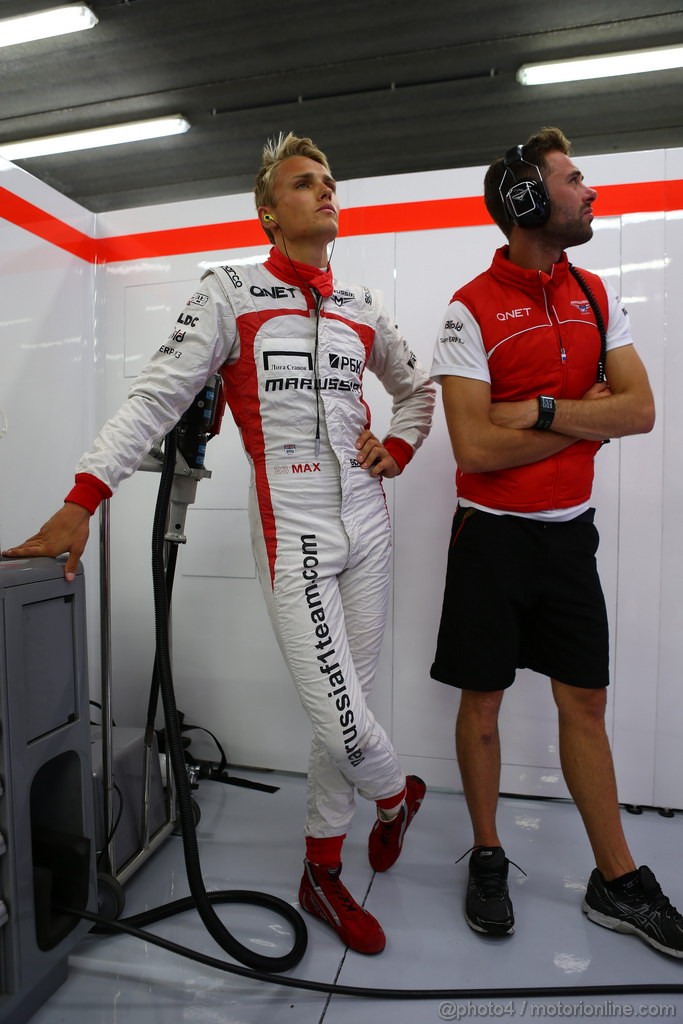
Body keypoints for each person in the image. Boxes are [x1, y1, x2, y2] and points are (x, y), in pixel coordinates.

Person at [3, 133, 434, 955]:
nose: (326, 191)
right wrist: (83, 496)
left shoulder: (363, 307)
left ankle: (319, 870)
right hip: (295, 527)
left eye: (330, 180)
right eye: (305, 183)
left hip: (369, 524)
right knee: (342, 718)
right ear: (269, 211)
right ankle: (393, 795)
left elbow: (418, 393)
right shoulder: (229, 291)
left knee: (345, 708)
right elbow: (155, 397)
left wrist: (401, 448)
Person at [429, 126, 683, 959]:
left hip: (567, 539)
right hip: (489, 541)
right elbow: (473, 448)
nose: (590, 192)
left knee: (586, 704)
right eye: (573, 180)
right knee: (484, 702)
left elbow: (640, 411)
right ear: (527, 199)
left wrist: (536, 412)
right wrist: (586, 421)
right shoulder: (468, 307)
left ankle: (616, 881)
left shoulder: (598, 295)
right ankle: (488, 853)